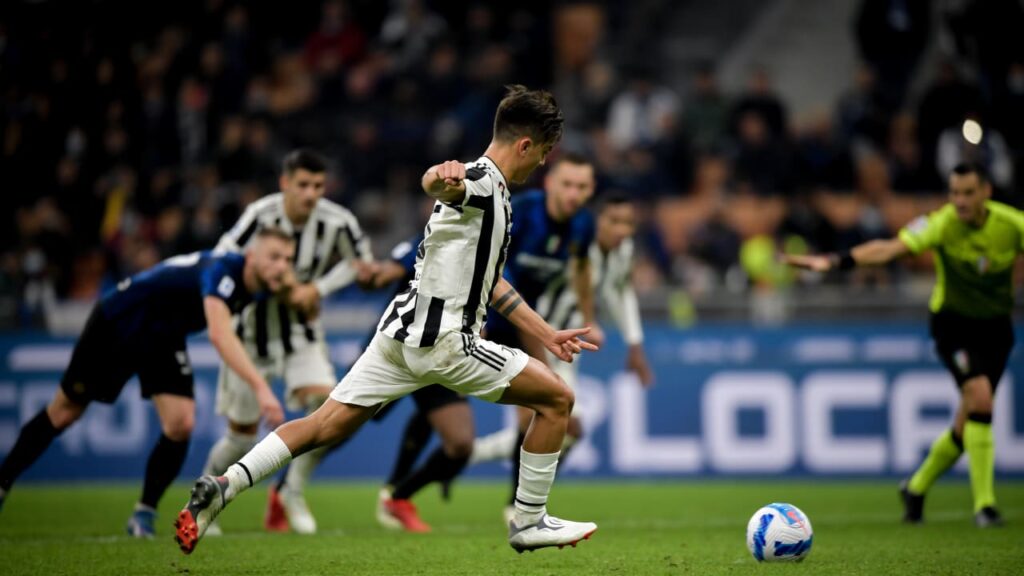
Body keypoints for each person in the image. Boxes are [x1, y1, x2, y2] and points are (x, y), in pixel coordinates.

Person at [175, 84, 601, 555]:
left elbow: (492, 282)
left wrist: (547, 333)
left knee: (323, 425)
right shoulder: (481, 181)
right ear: (524, 145)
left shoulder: (493, 191)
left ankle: (224, 485)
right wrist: (437, 175)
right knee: (558, 400)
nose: (541, 163)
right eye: (542, 152)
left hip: (398, 335)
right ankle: (529, 520)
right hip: (444, 341)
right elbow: (438, 184)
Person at [0, 229, 296, 537]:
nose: (282, 266)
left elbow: (300, 297)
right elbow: (219, 334)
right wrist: (262, 389)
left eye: (288, 259)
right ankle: (2, 483)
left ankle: (144, 514)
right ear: (251, 256)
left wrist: (297, 287)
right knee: (64, 412)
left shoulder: (263, 283)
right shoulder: (222, 271)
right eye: (274, 257)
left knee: (181, 423)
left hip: (163, 336)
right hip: (122, 319)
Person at [784, 162, 1020, 528]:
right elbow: (889, 248)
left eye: (968, 193)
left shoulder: (1012, 224)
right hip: (953, 326)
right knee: (981, 398)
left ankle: (915, 487)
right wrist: (836, 261)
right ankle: (985, 506)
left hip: (996, 329)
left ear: (985, 192)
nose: (959, 201)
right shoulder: (941, 224)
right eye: (954, 193)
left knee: (969, 421)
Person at [201, 149, 373, 536]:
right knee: (240, 439)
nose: (311, 194)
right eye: (303, 185)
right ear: (285, 183)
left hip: (300, 334)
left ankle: (291, 490)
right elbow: (221, 258)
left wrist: (317, 289)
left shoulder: (338, 221)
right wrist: (274, 283)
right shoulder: (260, 215)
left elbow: (361, 264)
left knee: (330, 409)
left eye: (318, 186)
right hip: (251, 335)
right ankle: (207, 495)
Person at [470, 194, 655, 496]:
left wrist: (634, 344)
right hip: (544, 336)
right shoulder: (576, 246)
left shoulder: (622, 252)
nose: (622, 230)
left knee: (558, 427)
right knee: (563, 424)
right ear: (597, 222)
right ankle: (516, 497)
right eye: (614, 221)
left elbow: (619, 291)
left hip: (568, 345)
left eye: (628, 223)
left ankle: (472, 458)